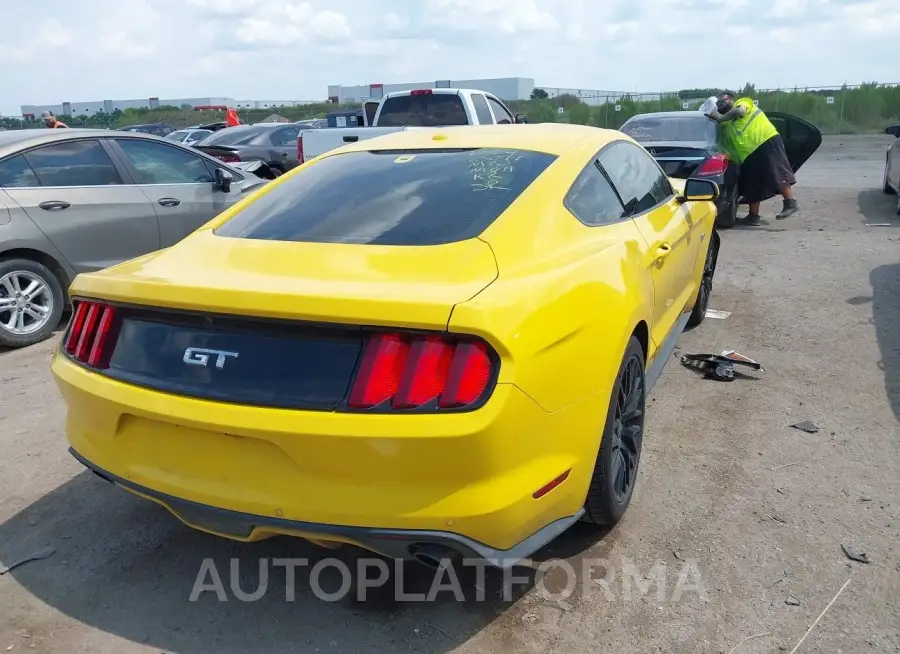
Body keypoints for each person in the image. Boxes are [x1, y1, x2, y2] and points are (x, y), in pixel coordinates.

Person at [705, 92, 798, 224]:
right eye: (718, 102)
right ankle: (753, 216)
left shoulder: (743, 103)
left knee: (776, 172)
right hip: (748, 155)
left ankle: (790, 203)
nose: (720, 103)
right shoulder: (725, 123)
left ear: (731, 99)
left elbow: (740, 111)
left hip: (766, 141)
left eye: (722, 100)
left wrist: (720, 117)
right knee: (752, 184)